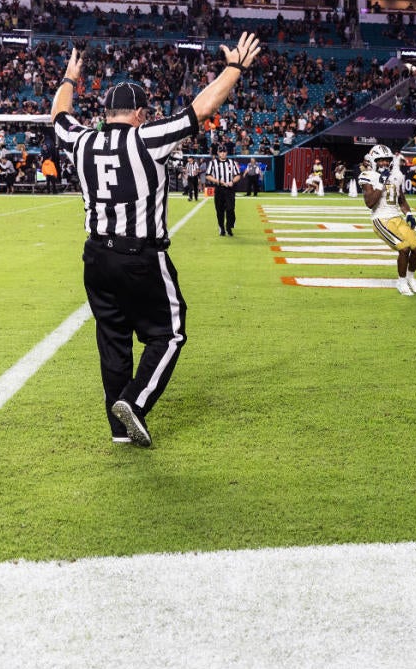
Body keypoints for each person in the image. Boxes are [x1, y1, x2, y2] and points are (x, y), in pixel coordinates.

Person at [51, 32, 263, 447]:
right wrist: (235, 69)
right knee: (169, 333)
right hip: (141, 256)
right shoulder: (146, 136)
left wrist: (70, 79)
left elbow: (59, 115)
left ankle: (119, 431)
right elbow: (201, 108)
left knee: (112, 340)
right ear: (140, 114)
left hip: (95, 257)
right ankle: (135, 401)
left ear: (106, 112)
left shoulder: (82, 140)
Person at [358, 144, 416, 297]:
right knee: (404, 248)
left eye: (386, 160)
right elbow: (369, 203)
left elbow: (401, 200)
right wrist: (381, 183)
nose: (384, 163)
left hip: (396, 217)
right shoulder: (367, 176)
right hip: (380, 218)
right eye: (380, 160)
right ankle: (401, 281)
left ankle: (410, 278)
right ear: (373, 161)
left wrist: (408, 214)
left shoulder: (396, 175)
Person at [205, 146, 242, 236]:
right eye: (221, 152)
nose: (222, 153)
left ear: (226, 153)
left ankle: (228, 227)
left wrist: (232, 181)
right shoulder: (213, 163)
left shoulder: (232, 162)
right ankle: (221, 227)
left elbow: (238, 175)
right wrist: (217, 181)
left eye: (224, 152)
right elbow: (208, 175)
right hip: (219, 189)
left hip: (229, 189)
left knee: (230, 209)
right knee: (219, 210)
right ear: (218, 153)